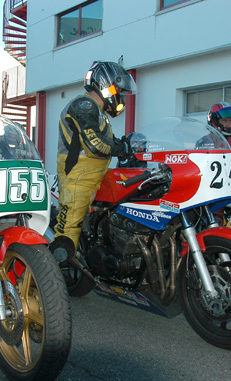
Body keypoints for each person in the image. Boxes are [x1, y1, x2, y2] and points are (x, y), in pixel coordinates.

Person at [49, 60, 137, 264]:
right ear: (106, 85)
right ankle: (46, 283)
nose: (120, 96)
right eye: (119, 90)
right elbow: (95, 144)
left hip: (95, 179)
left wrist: (128, 147)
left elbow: (105, 142)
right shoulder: (84, 105)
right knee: (65, 242)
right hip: (78, 181)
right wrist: (120, 148)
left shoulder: (99, 113)